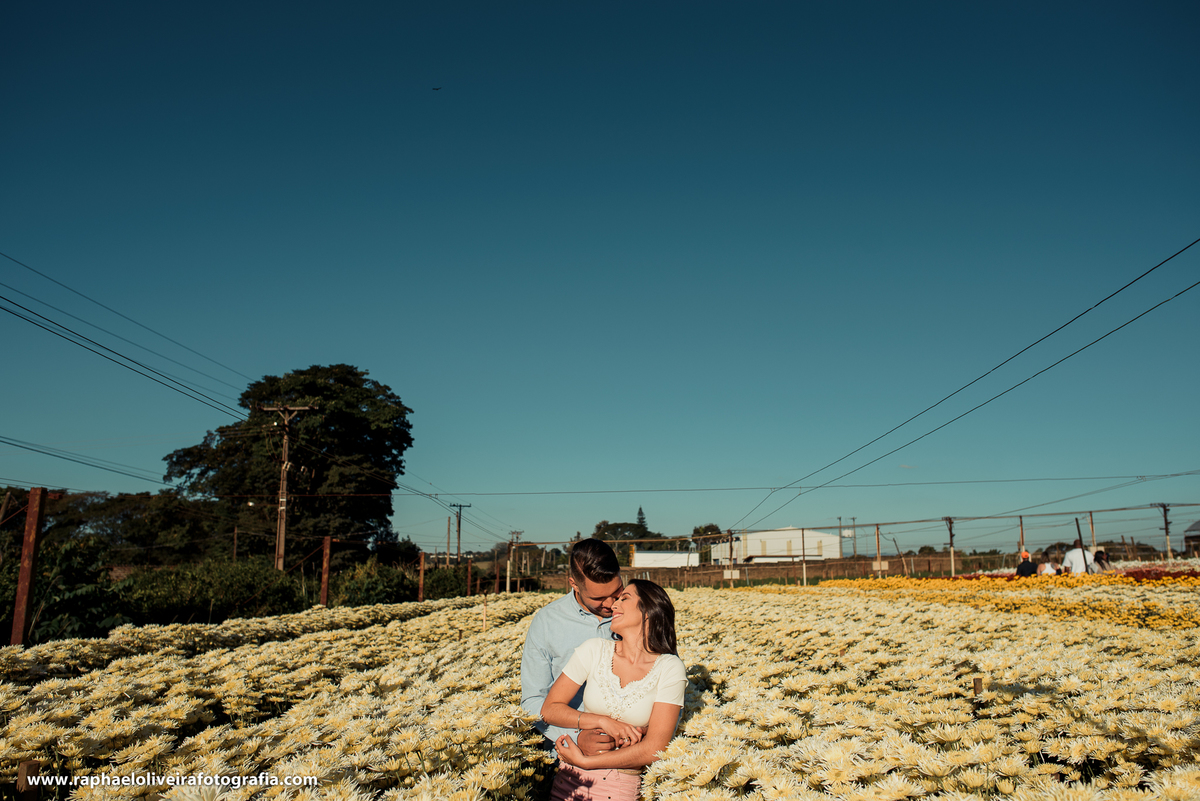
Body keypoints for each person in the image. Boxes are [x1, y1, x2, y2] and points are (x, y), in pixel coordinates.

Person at [541, 579, 688, 801]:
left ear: (648, 610)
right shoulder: (593, 650)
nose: (613, 605)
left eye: (624, 598)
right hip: (568, 783)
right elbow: (550, 710)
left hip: (619, 789)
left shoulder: (670, 667)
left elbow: (655, 748)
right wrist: (602, 721)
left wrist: (587, 761)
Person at [520, 538, 626, 756]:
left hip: (631, 747)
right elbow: (532, 701)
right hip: (568, 753)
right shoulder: (547, 622)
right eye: (598, 597)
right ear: (574, 584)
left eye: (616, 592)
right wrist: (576, 737)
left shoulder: (642, 613)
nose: (610, 604)